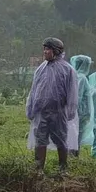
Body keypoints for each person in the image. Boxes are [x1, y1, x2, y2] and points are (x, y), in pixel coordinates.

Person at [27, 37, 78, 175]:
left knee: (60, 139)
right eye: (44, 49)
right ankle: (38, 169)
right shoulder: (41, 69)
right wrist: (30, 108)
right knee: (40, 139)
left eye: (48, 49)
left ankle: (63, 168)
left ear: (56, 51)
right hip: (41, 112)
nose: (45, 52)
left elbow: (72, 92)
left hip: (59, 111)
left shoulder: (67, 70)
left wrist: (71, 111)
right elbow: (34, 90)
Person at [70, 55, 95, 157]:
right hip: (79, 113)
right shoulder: (81, 78)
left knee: (75, 136)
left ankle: (73, 157)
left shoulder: (76, 76)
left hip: (79, 113)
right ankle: (73, 158)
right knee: (76, 137)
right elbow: (78, 97)